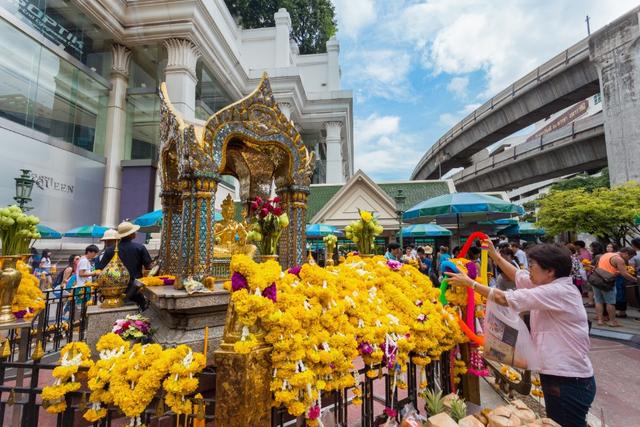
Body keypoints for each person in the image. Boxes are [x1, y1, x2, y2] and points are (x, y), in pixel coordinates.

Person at [446, 241, 595, 427]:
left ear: (550, 271)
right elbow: (518, 275)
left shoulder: (557, 291)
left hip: (567, 381)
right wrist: (495, 255)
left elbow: (503, 298)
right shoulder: (550, 285)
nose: (528, 269)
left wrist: (471, 284)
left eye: (532, 265)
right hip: (562, 377)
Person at [96, 221, 152, 311]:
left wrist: (101, 291)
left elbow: (101, 270)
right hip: (135, 289)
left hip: (113, 291)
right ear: (131, 235)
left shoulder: (110, 250)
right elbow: (149, 267)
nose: (135, 234)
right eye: (134, 232)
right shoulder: (139, 248)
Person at [594, 247, 638, 327]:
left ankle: (600, 320)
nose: (629, 259)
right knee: (610, 302)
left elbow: (600, 266)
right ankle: (612, 322)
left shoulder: (606, 254)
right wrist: (635, 280)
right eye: (630, 257)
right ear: (626, 253)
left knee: (599, 301)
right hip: (607, 282)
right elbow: (624, 274)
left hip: (596, 279)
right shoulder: (619, 259)